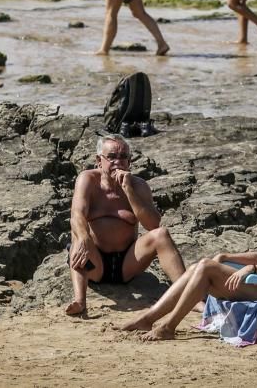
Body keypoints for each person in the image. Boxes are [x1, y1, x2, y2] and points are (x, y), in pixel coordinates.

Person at [122, 179, 257, 341]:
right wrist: (227, 256)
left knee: (206, 267)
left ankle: (168, 327)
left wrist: (252, 269)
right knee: (200, 265)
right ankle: (148, 319)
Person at [65, 134, 186, 316]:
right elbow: (76, 215)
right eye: (112, 157)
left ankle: (187, 295)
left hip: (127, 264)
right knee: (77, 235)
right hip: (95, 264)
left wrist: (128, 190)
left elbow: (153, 225)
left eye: (123, 158)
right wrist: (83, 237)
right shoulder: (88, 179)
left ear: (129, 162)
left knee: (162, 235)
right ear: (99, 160)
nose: (118, 162)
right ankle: (80, 301)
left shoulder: (139, 185)